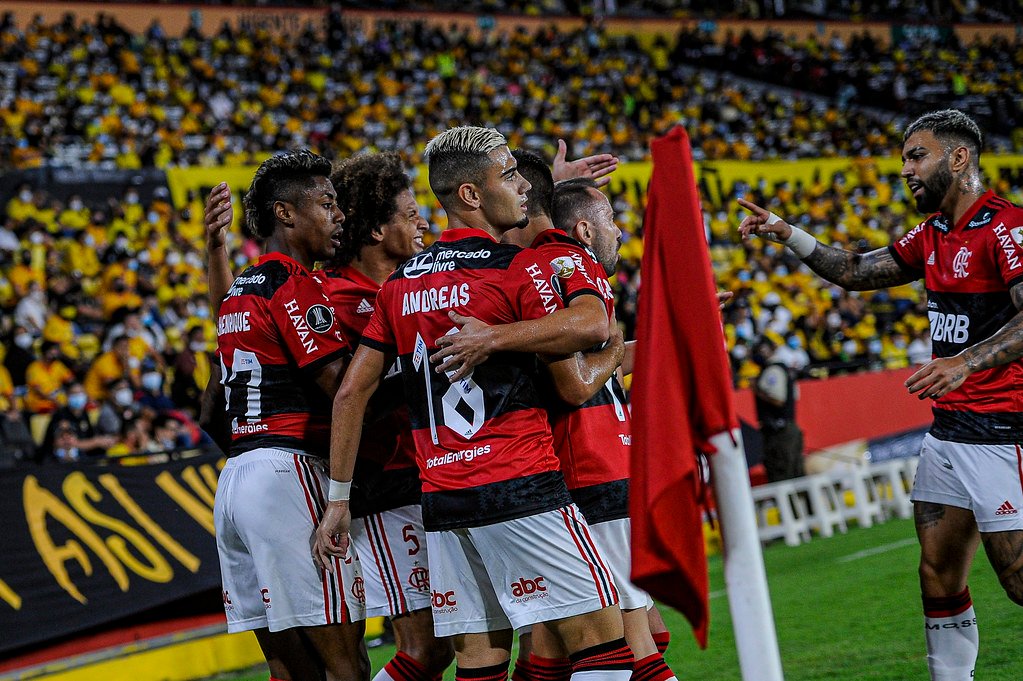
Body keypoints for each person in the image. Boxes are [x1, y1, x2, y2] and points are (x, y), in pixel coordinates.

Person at [314, 126, 633, 680]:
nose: (522, 188)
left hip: (443, 502)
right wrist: (496, 338)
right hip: (521, 484)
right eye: (508, 175)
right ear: (470, 195)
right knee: (606, 652)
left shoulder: (400, 287)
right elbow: (592, 321)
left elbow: (349, 394)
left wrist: (337, 499)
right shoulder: (515, 267)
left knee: (479, 665)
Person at [738, 109, 1023, 681]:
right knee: (938, 572)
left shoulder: (1006, 227)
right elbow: (855, 269)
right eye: (903, 161)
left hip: (1002, 431)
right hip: (948, 433)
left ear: (959, 157)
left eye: (917, 156)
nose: (906, 170)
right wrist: (788, 233)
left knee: (1017, 580)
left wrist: (964, 362)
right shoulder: (933, 234)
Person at [211, 149, 368, 681]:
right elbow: (342, 387)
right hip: (287, 473)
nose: (339, 215)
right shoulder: (291, 282)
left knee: (289, 668)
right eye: (326, 203)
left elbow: (212, 406)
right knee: (345, 661)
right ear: (285, 214)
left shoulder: (239, 291)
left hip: (234, 481)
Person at [752, 338, 805, 483]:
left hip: (779, 432)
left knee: (783, 475)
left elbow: (778, 400)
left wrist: (758, 391)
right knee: (795, 474)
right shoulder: (785, 369)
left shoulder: (773, 371)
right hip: (787, 429)